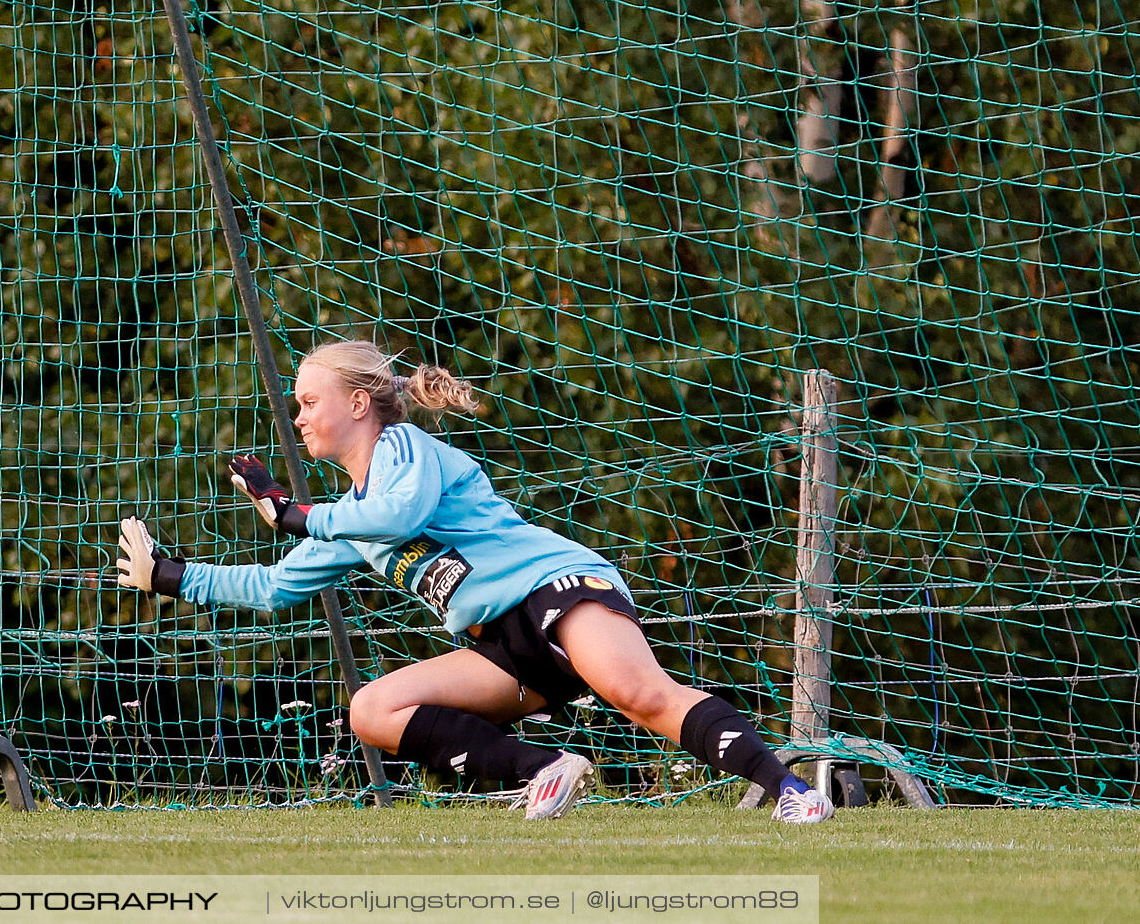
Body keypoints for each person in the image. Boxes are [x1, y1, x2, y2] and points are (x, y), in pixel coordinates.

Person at [115, 339, 835, 823]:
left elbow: (399, 510)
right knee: (372, 707)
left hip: (557, 588)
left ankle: (794, 792)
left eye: (308, 400)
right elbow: (276, 586)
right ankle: (549, 766)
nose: (298, 415)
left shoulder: (403, 448)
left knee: (642, 695)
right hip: (501, 645)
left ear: (359, 404)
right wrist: (171, 575)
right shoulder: (348, 519)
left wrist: (294, 511)